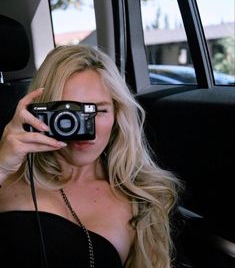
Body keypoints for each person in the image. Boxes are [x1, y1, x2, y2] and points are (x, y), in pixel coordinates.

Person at [0, 44, 180, 268]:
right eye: (70, 113)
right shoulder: (7, 176)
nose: (87, 127)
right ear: (42, 113)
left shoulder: (141, 198)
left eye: (99, 110)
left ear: (117, 114)